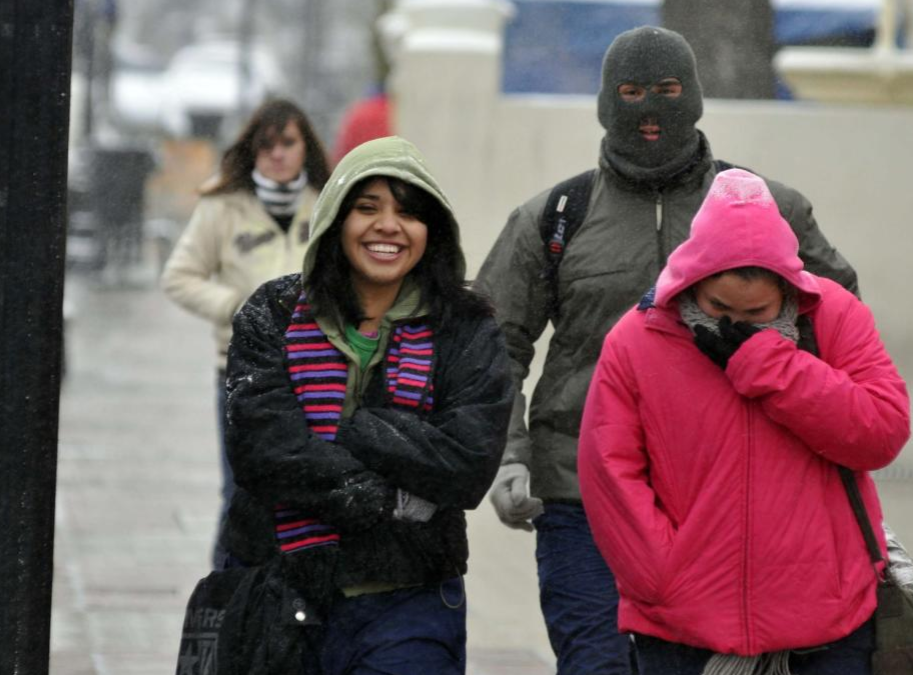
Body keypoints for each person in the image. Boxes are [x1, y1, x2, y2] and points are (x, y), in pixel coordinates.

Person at [474, 26, 858, 675]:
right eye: (630, 92)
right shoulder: (554, 217)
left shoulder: (765, 209)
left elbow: (839, 321)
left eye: (667, 90)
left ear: (694, 96)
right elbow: (489, 343)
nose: (648, 110)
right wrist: (507, 456)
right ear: (605, 101)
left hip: (726, 504)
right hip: (578, 496)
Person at [577, 168, 909, 674]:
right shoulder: (636, 338)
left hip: (829, 628)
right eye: (718, 308)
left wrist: (773, 365)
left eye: (757, 312)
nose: (733, 324)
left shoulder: (836, 316)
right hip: (682, 628)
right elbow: (609, 470)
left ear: (787, 289)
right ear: (693, 280)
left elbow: (881, 434)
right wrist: (664, 576)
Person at [220, 136, 513, 674]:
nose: (388, 226)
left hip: (411, 601)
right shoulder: (274, 312)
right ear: (335, 219)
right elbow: (264, 451)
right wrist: (387, 497)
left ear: (432, 230)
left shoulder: (467, 328)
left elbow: (467, 465)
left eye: (408, 211)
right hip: (280, 596)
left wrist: (358, 429)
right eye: (367, 208)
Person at [161, 98, 330, 568]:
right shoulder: (222, 208)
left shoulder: (326, 206)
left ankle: (290, 598)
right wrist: (237, 308)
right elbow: (178, 276)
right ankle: (225, 602)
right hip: (240, 374)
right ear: (252, 149)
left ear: (305, 148)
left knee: (303, 492)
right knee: (240, 491)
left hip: (314, 373)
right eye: (267, 143)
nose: (277, 154)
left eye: (288, 143)